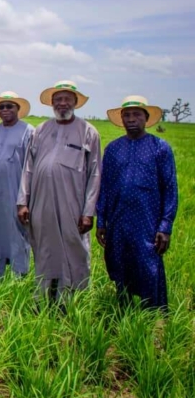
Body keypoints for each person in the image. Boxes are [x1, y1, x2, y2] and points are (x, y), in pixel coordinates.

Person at [17, 80, 101, 302]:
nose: (62, 103)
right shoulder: (41, 130)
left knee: (73, 248)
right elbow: (28, 168)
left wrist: (88, 211)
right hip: (41, 202)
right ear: (52, 103)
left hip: (72, 204)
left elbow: (95, 174)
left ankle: (71, 300)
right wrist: (23, 202)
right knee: (44, 247)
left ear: (75, 102)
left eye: (67, 99)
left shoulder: (88, 132)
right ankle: (43, 295)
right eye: (58, 99)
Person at [97, 96, 178, 310]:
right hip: (118, 219)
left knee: (148, 264)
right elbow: (104, 187)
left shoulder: (160, 148)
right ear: (121, 119)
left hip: (148, 219)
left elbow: (170, 188)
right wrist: (101, 221)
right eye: (127, 115)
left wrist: (165, 226)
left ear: (146, 118)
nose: (131, 119)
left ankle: (154, 315)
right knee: (119, 261)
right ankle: (123, 307)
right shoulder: (113, 149)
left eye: (136, 114)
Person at [0, 91, 34, 277]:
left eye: (9, 106)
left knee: (17, 230)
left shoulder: (28, 131)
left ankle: (19, 273)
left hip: (17, 190)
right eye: (1, 107)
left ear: (18, 108)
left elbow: (30, 166)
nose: (5, 110)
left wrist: (25, 199)